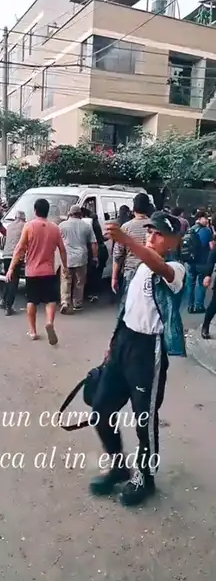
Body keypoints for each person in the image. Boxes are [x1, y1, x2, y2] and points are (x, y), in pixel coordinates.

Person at [91, 212, 186, 507]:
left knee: (144, 420)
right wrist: (113, 345)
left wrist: (129, 242)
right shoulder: (139, 268)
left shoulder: (175, 268)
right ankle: (119, 466)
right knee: (101, 409)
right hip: (124, 343)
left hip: (149, 350)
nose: (152, 236)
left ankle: (146, 478)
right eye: (150, 232)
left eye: (158, 234)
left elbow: (161, 268)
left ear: (172, 241)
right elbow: (128, 307)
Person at [6, 198, 66, 344]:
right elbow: (63, 250)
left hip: (32, 271)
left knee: (32, 300)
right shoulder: (55, 228)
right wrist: (66, 267)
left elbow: (20, 249)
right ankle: (50, 322)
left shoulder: (29, 226)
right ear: (47, 211)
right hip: (49, 271)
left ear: (35, 211)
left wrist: (11, 268)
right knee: (50, 300)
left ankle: (32, 331)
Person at [112, 193, 153, 302]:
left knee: (130, 305)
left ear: (133, 208)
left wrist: (114, 277)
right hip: (151, 272)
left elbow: (118, 255)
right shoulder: (154, 226)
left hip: (131, 272)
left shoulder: (126, 227)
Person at [58, 205, 97, 314]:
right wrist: (95, 257)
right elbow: (94, 243)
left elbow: (58, 242)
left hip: (67, 258)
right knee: (79, 282)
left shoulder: (62, 225)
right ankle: (77, 304)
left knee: (66, 280)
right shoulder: (86, 226)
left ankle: (65, 302)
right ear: (80, 214)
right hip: (81, 258)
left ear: (69, 213)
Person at [182, 211, 212, 313]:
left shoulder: (190, 229)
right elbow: (211, 246)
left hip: (190, 261)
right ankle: (199, 305)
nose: (207, 220)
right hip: (202, 261)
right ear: (199, 218)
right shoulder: (206, 231)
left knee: (190, 284)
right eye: (205, 218)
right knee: (201, 283)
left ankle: (190, 306)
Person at [0, 211, 27, 316]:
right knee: (14, 283)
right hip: (16, 256)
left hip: (6, 255)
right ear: (23, 218)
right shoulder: (24, 226)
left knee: (8, 279)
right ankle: (8, 307)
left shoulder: (10, 226)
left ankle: (2, 299)